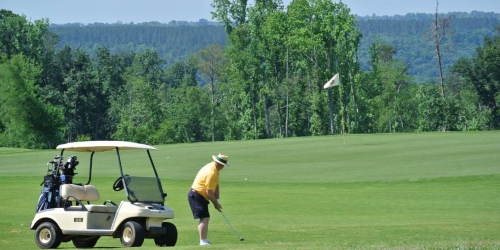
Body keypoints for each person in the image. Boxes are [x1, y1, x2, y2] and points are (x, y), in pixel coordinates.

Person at [188, 153, 229, 246]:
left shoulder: (214, 168)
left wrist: (217, 200)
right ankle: (203, 241)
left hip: (199, 195)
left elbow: (216, 185)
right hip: (196, 195)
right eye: (223, 165)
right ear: (220, 164)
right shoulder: (211, 173)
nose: (223, 167)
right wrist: (216, 204)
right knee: (204, 217)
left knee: (205, 217)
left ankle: (204, 240)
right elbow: (209, 192)